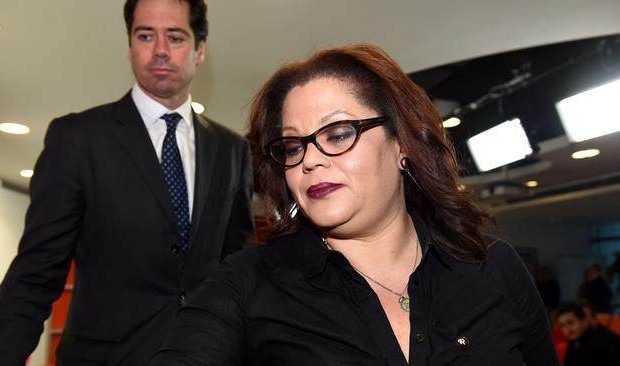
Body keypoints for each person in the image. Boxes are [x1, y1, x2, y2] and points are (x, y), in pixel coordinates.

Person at [149, 44, 558, 365]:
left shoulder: (493, 267)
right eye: (292, 145)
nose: (309, 159)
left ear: (402, 144)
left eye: (339, 133)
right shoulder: (245, 285)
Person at [0, 0, 254, 365]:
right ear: (129, 46)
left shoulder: (233, 151)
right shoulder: (77, 139)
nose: (159, 51)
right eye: (145, 35)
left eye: (175, 37)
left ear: (200, 49)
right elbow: (34, 277)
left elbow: (238, 273)